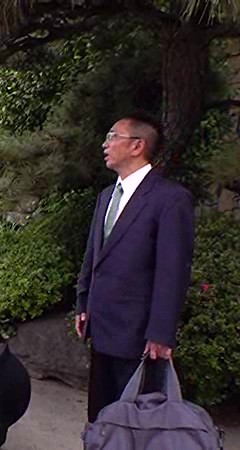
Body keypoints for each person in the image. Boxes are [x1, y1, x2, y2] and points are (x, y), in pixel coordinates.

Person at [75, 112, 195, 423]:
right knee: (101, 419)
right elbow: (93, 256)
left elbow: (172, 271)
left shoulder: (170, 199)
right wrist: (83, 302)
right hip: (101, 328)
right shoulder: (106, 196)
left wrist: (161, 333)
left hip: (138, 336)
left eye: (113, 136)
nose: (105, 144)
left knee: (134, 424)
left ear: (137, 145)